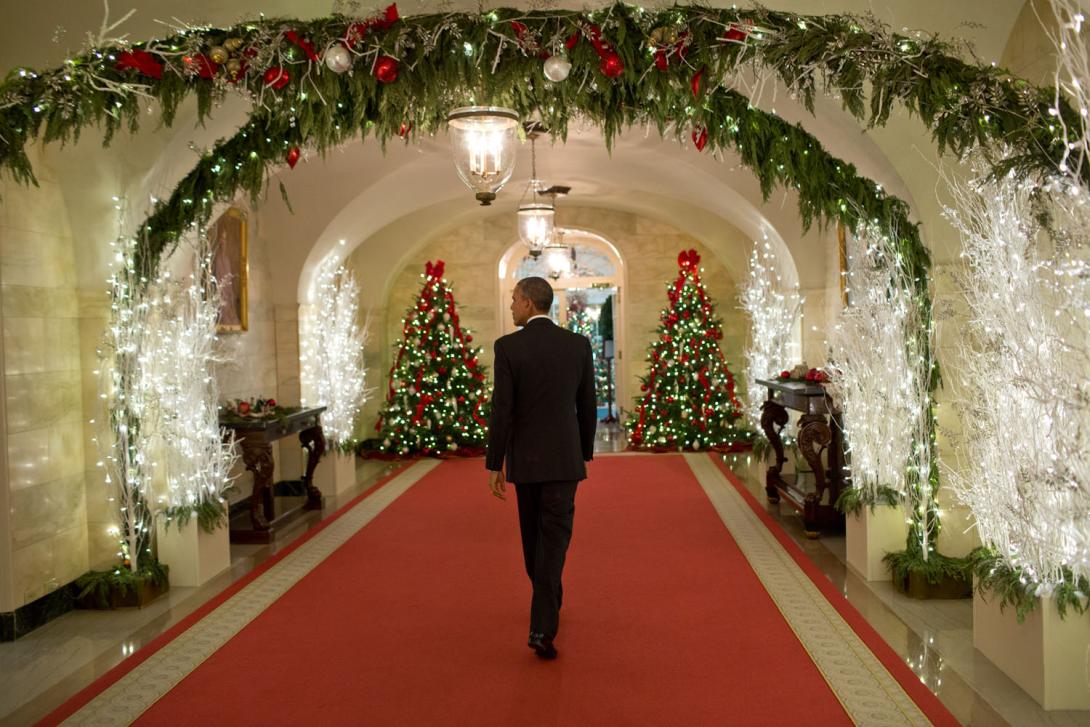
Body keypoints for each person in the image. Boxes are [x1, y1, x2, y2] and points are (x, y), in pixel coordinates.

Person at [486, 277, 597, 660]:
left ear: (531, 303)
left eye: (515, 300)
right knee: (548, 542)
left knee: (537, 541)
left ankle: (541, 628)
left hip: (527, 462)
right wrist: (583, 451)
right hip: (565, 461)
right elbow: (588, 404)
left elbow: (503, 409)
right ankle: (551, 598)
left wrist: (494, 461)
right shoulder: (577, 345)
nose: (511, 306)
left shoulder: (508, 348)